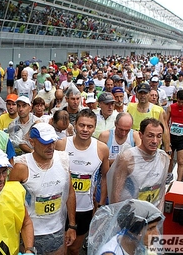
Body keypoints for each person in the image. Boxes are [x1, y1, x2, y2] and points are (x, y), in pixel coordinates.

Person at [9, 123, 77, 254]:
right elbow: (11, 201)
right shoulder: (21, 166)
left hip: (57, 230)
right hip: (30, 233)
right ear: (32, 142)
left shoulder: (63, 159)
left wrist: (72, 225)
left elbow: (70, 192)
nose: (50, 146)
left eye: (52, 141)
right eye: (45, 142)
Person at [55, 109, 109, 255]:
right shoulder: (61, 145)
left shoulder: (101, 149)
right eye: (82, 125)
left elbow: (104, 178)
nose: (85, 129)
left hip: (85, 208)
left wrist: (101, 204)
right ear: (75, 125)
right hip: (61, 207)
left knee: (74, 249)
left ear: (95, 127)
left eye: (89, 126)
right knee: (59, 249)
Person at [107, 118, 170, 210]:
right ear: (141, 135)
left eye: (159, 136)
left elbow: (161, 190)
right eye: (150, 136)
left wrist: (158, 215)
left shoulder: (163, 158)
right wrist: (117, 218)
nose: (155, 141)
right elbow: (116, 192)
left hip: (151, 214)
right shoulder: (127, 158)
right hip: (129, 213)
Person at [89, 199, 164, 255]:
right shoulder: (111, 253)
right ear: (132, 231)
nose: (156, 234)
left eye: (156, 227)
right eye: (150, 229)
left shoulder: (140, 246)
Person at [127, 83, 171, 155]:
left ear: (149, 94)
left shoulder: (158, 110)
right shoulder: (129, 107)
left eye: (145, 93)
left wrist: (167, 148)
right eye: (140, 93)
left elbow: (165, 130)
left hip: (152, 148)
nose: (143, 95)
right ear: (136, 94)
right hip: (133, 148)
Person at [165, 90, 183, 183]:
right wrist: (165, 136)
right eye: (179, 101)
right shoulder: (170, 107)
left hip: (182, 137)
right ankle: (169, 174)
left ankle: (179, 181)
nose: (181, 104)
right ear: (176, 99)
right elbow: (166, 122)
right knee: (169, 158)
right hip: (171, 136)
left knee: (180, 161)